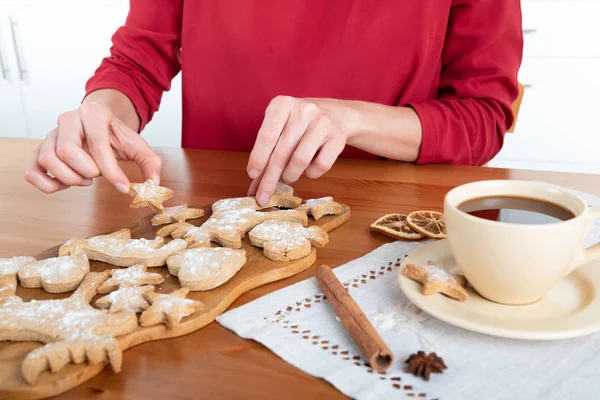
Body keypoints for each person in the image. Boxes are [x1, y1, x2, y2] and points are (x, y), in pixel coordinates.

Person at [25, 1, 523, 206]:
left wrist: (350, 118)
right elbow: (138, 60)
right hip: (219, 206)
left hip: (380, 219)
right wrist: (103, 112)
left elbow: (482, 116)